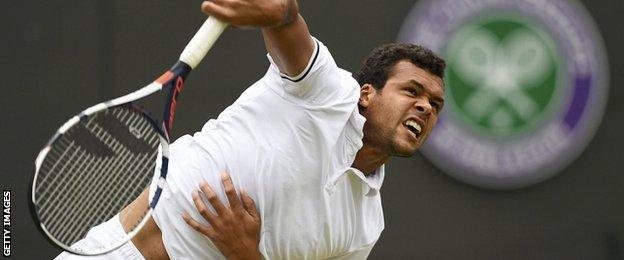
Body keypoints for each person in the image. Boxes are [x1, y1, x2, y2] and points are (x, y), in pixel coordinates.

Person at [56, 0, 445, 258]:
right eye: (411, 91)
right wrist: (281, 12)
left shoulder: (364, 226)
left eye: (435, 104)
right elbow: (287, 25)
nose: (425, 106)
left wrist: (244, 252)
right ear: (366, 95)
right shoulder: (329, 93)